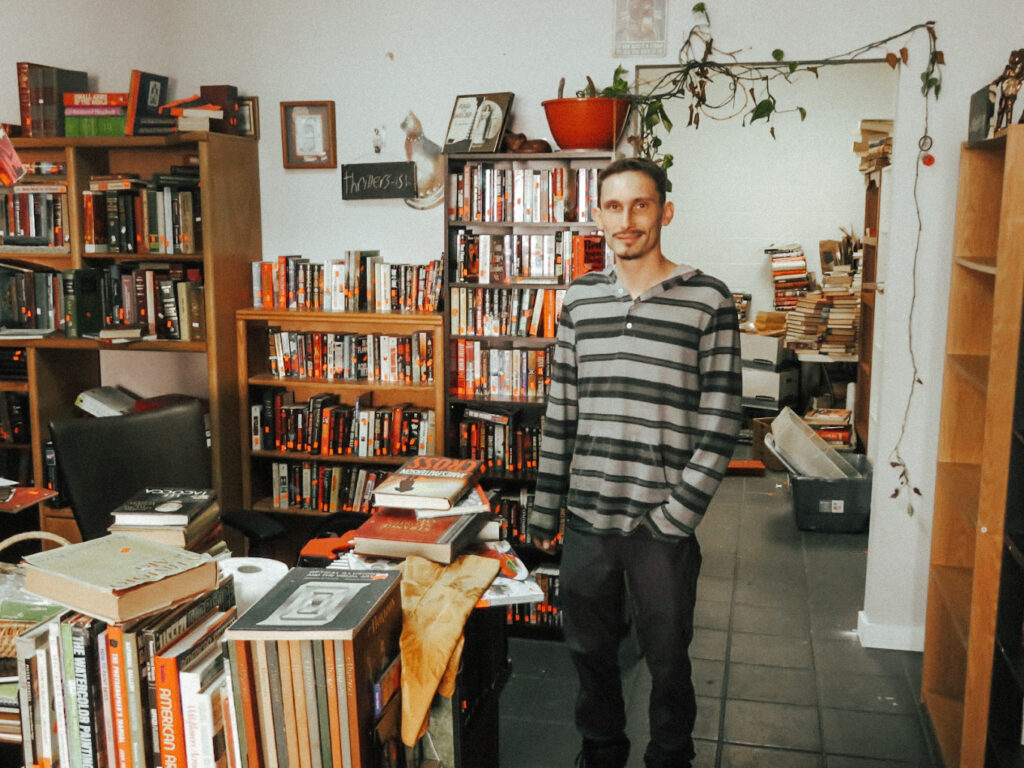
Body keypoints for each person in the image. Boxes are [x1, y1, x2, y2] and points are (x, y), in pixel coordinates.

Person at [529, 157, 742, 768]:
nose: (627, 220)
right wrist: (546, 511)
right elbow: (561, 410)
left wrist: (677, 518)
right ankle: (601, 749)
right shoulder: (579, 300)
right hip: (589, 520)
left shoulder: (708, 300)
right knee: (589, 653)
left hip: (662, 527)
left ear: (664, 212)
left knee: (669, 656)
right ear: (598, 217)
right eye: (614, 207)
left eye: (641, 205)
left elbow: (723, 419)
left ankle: (671, 755)